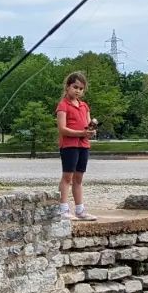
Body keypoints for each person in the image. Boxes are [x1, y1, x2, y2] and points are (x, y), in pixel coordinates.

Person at [56, 71, 98, 220]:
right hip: (69, 145)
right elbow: (62, 129)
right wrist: (81, 133)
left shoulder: (84, 106)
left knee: (79, 178)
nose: (78, 91)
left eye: (81, 88)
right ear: (67, 87)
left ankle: (80, 210)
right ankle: (63, 209)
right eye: (75, 87)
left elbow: (87, 126)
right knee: (67, 176)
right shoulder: (63, 106)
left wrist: (91, 130)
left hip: (83, 144)